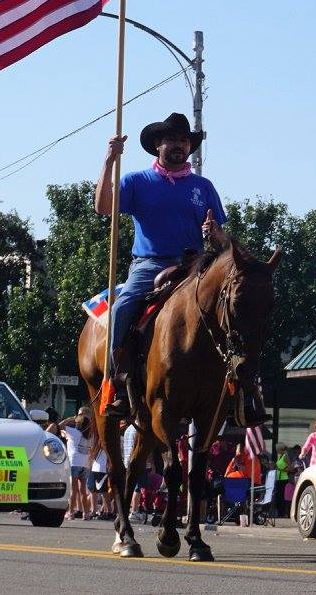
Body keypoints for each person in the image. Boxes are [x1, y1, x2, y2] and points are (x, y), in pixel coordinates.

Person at [95, 111, 230, 417]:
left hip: (195, 265)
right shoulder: (137, 181)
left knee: (236, 305)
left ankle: (242, 390)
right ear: (158, 144)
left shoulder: (203, 187)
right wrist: (109, 161)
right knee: (122, 307)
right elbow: (103, 207)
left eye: (184, 140)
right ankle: (118, 383)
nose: (179, 145)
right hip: (150, 265)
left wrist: (214, 233)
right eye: (172, 139)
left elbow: (221, 238)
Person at [60, 408, 94, 519]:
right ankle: (86, 513)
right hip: (85, 464)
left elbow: (59, 426)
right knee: (83, 490)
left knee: (73, 490)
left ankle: (71, 512)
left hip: (74, 462)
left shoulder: (73, 432)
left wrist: (71, 418)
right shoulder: (90, 435)